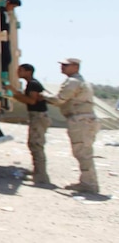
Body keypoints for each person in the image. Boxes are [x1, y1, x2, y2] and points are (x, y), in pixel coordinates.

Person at [44, 58, 100, 194]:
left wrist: (43, 96)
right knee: (84, 151)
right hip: (85, 119)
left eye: (65, 65)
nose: (62, 67)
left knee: (82, 152)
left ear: (75, 67)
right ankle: (88, 182)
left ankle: (89, 184)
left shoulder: (73, 82)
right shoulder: (80, 81)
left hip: (80, 120)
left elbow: (60, 99)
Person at [10, 63, 51, 184]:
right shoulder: (31, 83)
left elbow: (31, 101)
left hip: (38, 116)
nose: (18, 72)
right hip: (37, 116)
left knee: (36, 145)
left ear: (28, 72)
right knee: (34, 144)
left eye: (21, 70)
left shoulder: (33, 84)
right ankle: (37, 171)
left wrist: (15, 93)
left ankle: (41, 176)